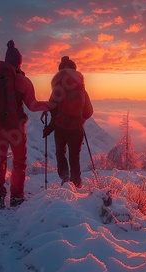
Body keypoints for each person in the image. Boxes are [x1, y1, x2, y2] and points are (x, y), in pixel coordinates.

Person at [0, 40, 51, 210]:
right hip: (16, 129)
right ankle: (16, 197)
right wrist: (49, 105)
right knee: (19, 162)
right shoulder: (23, 81)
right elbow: (33, 106)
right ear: (20, 62)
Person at [43, 56, 93, 188]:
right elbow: (89, 111)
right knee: (74, 156)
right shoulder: (82, 91)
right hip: (76, 129)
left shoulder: (57, 90)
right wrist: (80, 120)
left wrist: (49, 128)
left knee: (60, 153)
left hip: (60, 128)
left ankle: (65, 180)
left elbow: (52, 111)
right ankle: (76, 182)